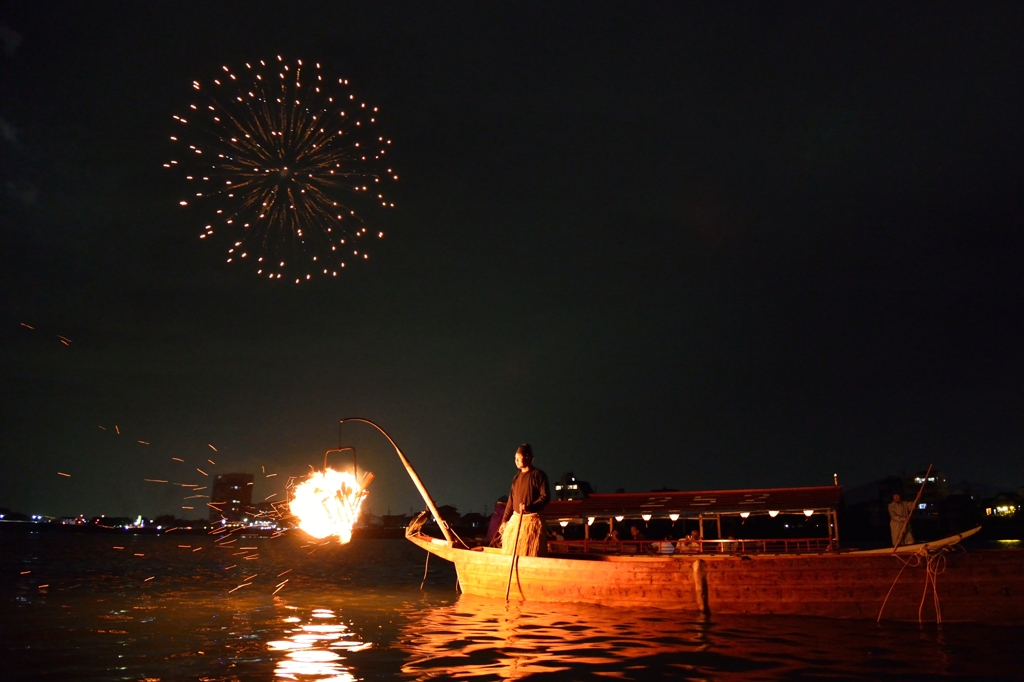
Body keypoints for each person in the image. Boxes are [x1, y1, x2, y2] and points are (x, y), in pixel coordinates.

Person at [498, 444, 550, 556]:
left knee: (530, 552)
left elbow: (545, 497)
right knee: (510, 551)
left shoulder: (538, 475)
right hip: (516, 520)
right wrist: (504, 521)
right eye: (515, 458)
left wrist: (529, 507)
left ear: (527, 457)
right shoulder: (516, 477)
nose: (516, 460)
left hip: (531, 521)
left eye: (518, 457)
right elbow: (511, 501)